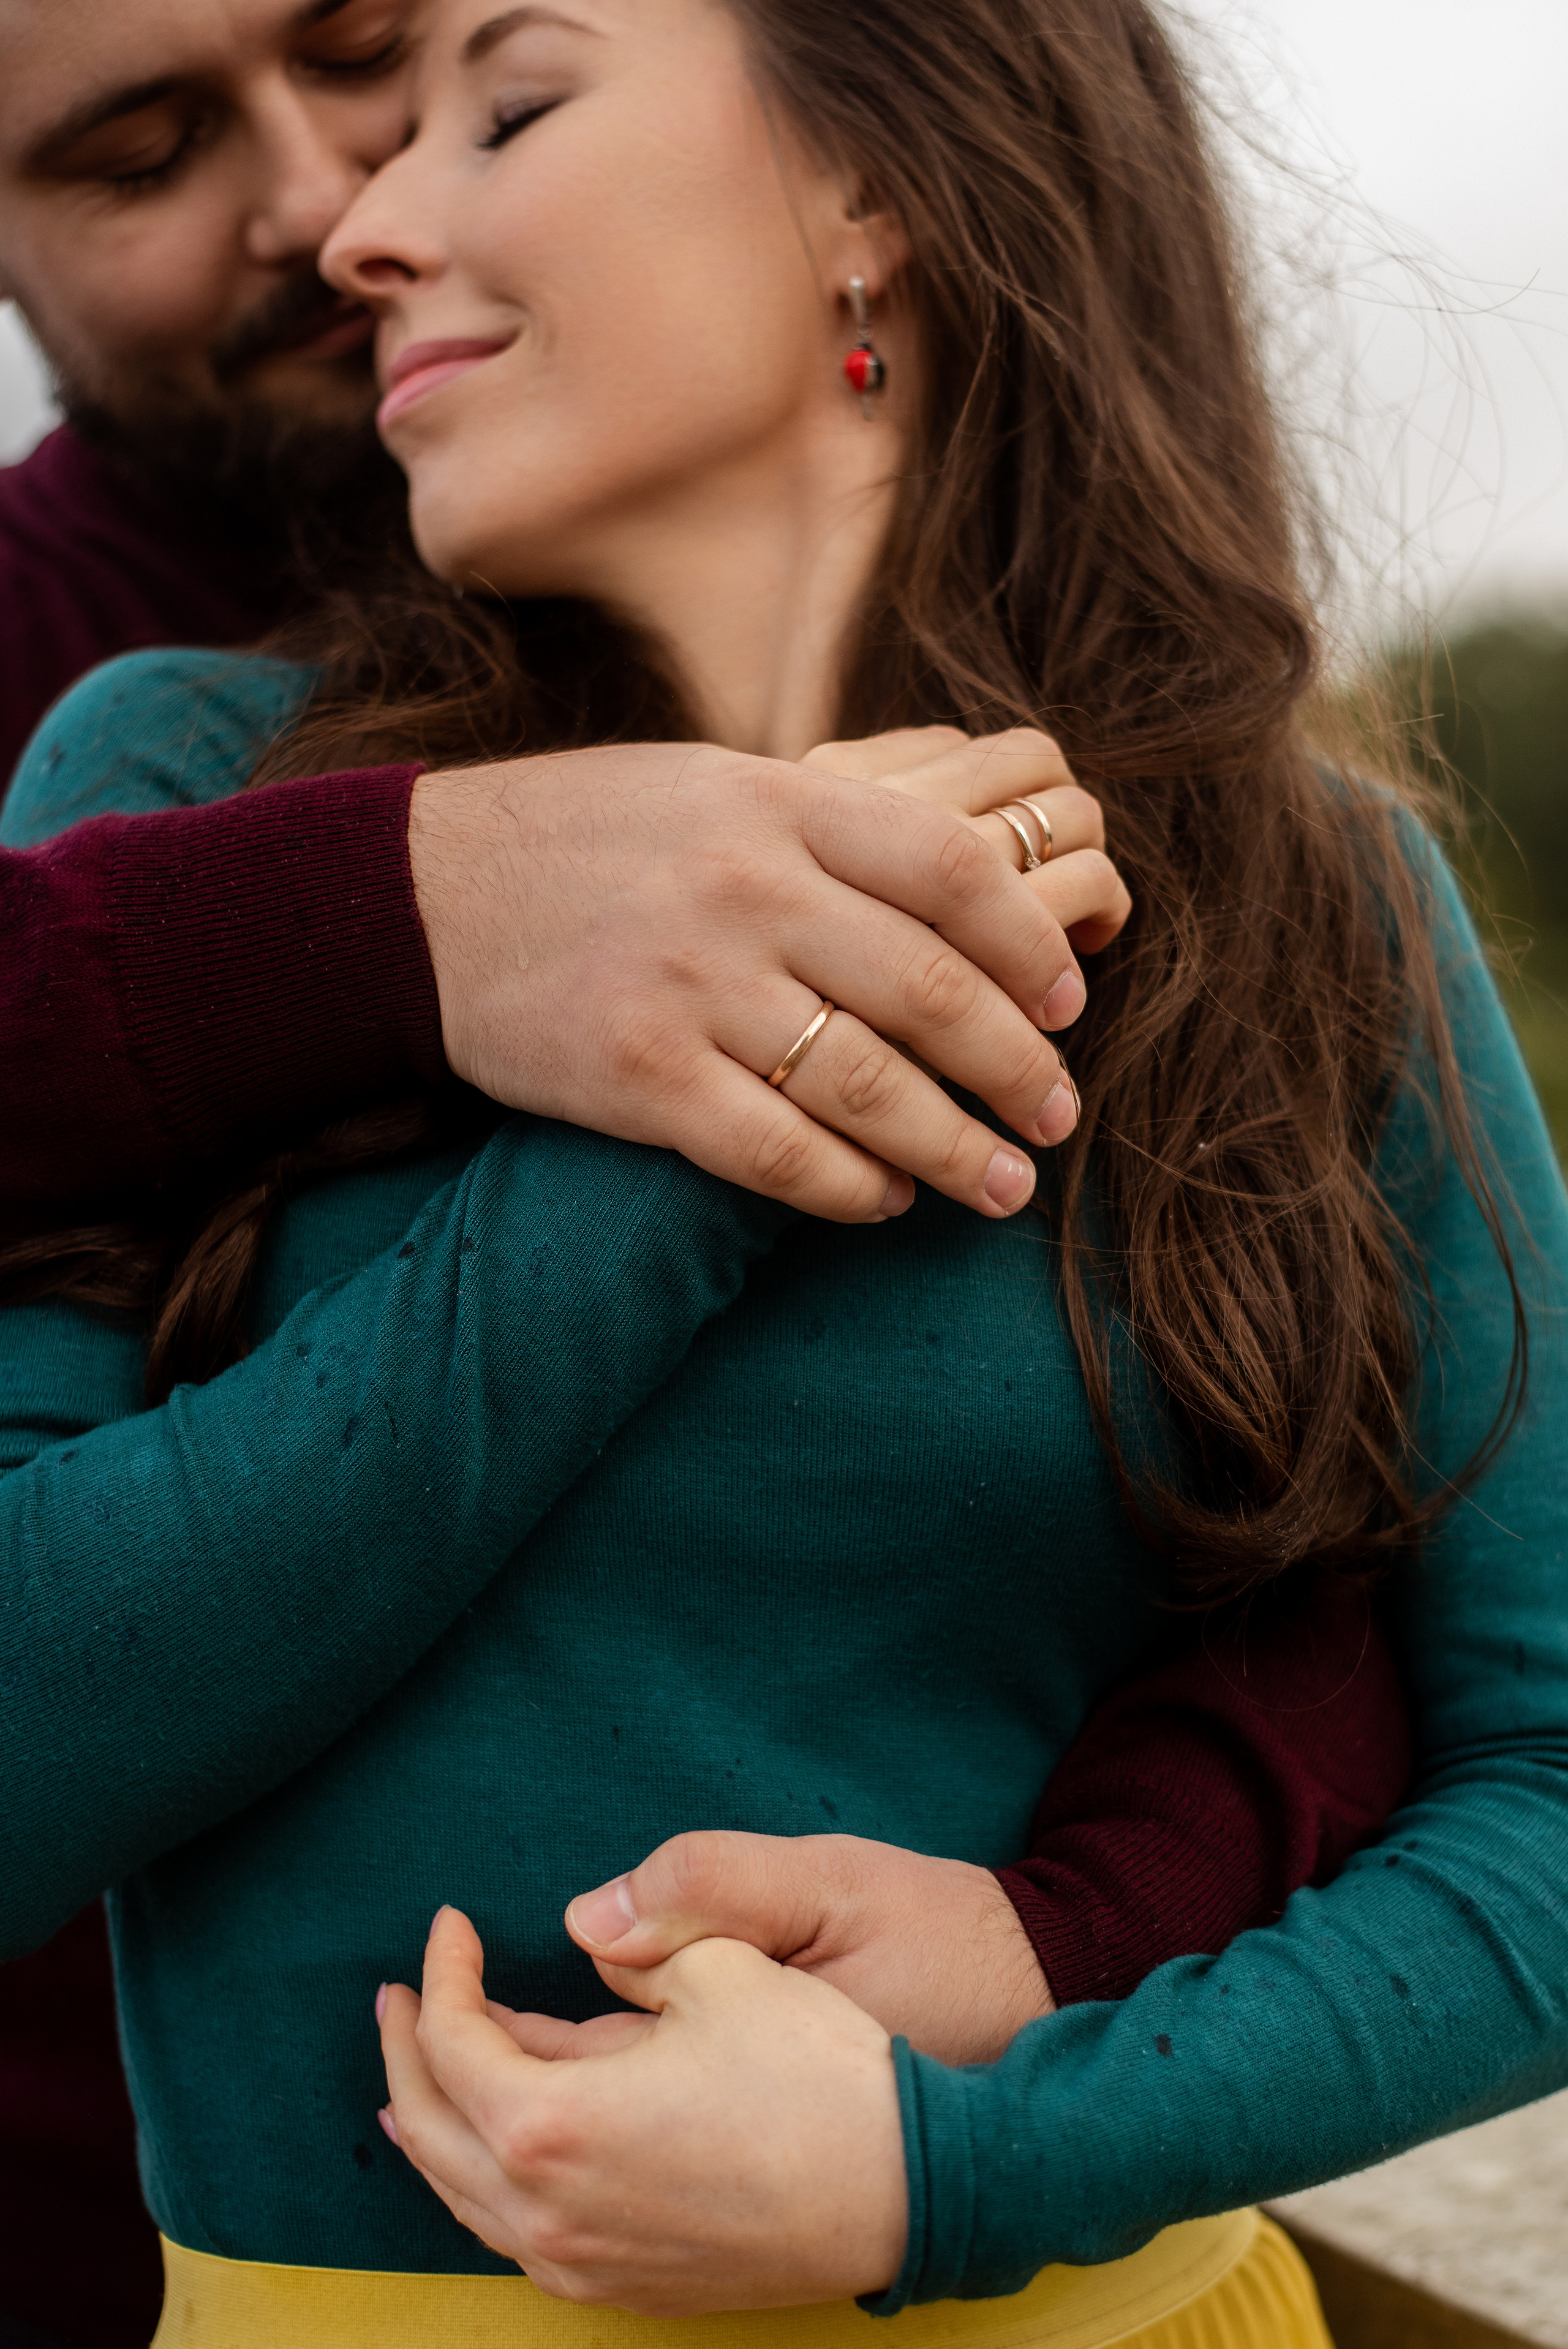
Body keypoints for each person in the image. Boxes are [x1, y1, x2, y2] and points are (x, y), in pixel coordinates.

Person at [4, 1, 1546, 2347]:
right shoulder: (175, 784)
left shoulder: (1311, 893)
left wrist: (966, 2163)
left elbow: (1540, 1783)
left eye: (506, 108)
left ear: (879, 187)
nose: (367, 226)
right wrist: (692, 1115)